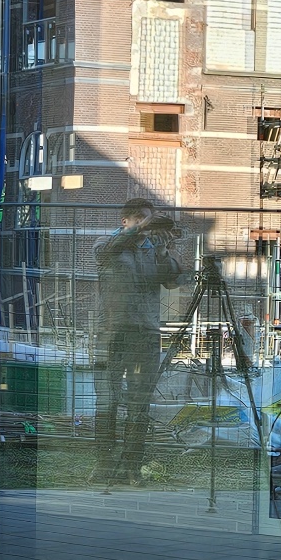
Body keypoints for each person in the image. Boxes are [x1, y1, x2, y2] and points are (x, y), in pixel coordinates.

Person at [91, 199, 182, 485]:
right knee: (107, 400)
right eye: (142, 219)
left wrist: (164, 249)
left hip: (145, 334)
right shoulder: (106, 244)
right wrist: (139, 231)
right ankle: (104, 465)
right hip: (112, 333)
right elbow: (106, 252)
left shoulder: (154, 250)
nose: (147, 225)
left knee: (139, 404)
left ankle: (132, 466)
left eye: (149, 220)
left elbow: (173, 280)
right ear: (125, 220)